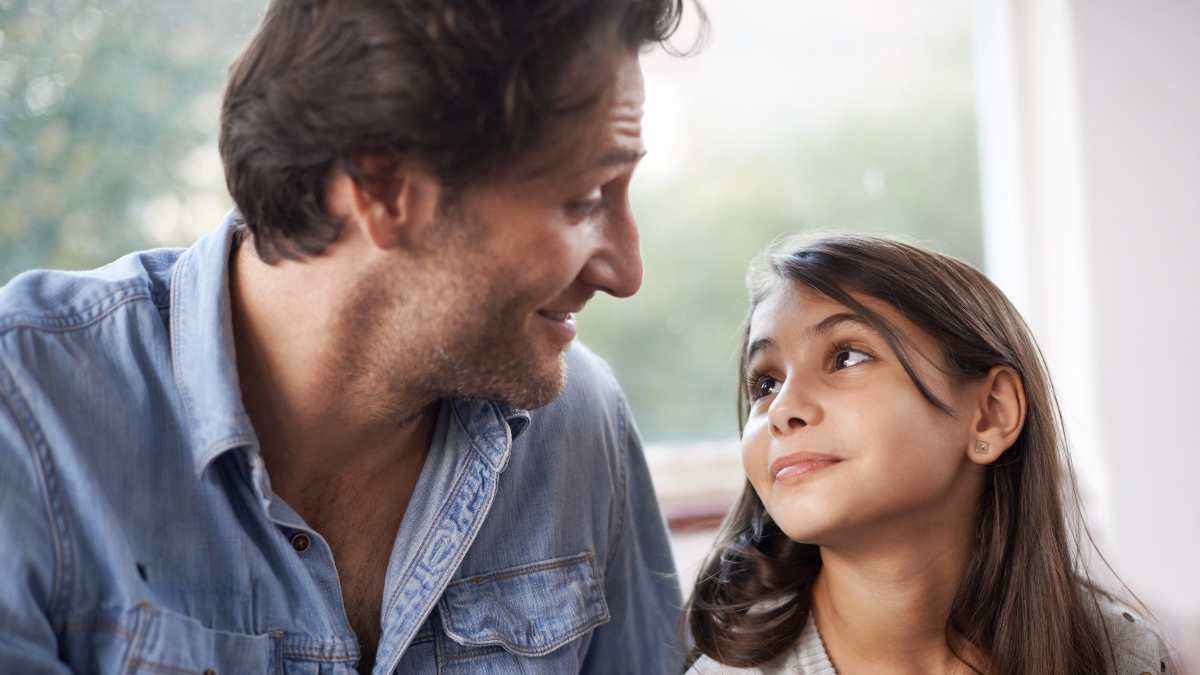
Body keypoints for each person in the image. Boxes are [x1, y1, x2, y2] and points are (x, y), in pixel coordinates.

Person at [0, 0, 701, 673]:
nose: (625, 270)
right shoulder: (27, 418)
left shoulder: (581, 427)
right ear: (383, 186)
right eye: (583, 199)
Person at [684, 234, 1175, 675]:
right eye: (765, 383)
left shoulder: (1121, 655)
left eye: (847, 357)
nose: (782, 409)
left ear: (990, 414)